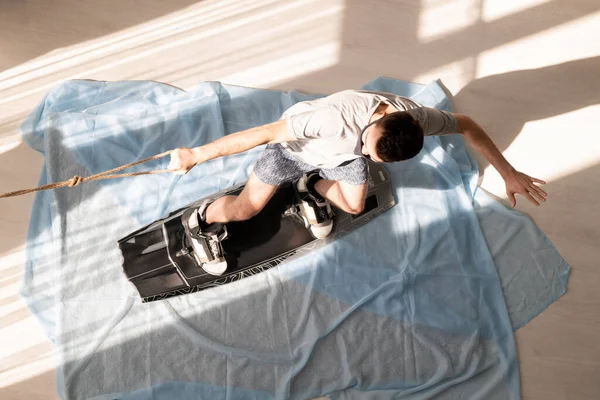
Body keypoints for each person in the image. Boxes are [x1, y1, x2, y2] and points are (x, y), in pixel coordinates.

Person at [168, 90, 547, 274]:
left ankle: (311, 189)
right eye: (371, 149)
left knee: (352, 204)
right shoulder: (333, 119)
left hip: (340, 158)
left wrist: (507, 171)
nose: (370, 158)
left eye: (376, 159)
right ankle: (200, 222)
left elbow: (466, 124)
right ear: (372, 125)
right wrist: (196, 155)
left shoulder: (416, 119)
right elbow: (264, 133)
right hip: (295, 151)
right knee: (245, 208)